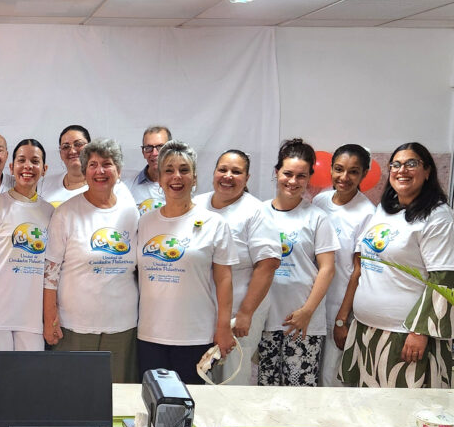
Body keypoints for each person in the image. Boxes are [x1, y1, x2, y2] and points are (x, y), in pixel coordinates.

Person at [337, 142, 454, 427]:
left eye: (412, 164)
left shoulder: (437, 217)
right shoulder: (384, 211)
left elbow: (444, 278)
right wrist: (347, 317)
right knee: (367, 408)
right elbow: (363, 265)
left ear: (428, 171)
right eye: (396, 165)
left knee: (407, 410)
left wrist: (421, 329)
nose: (402, 171)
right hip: (367, 329)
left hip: (406, 334)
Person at [136, 140, 236, 385]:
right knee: (153, 406)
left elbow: (224, 279)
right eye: (168, 170)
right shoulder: (145, 222)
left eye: (184, 170)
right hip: (150, 334)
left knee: (191, 408)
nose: (176, 177)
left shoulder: (214, 223)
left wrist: (224, 327)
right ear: (159, 178)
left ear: (194, 177)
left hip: (195, 336)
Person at [43, 138, 140, 383]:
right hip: (75, 326)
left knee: (116, 402)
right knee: (73, 399)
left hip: (123, 325)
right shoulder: (66, 212)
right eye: (93, 165)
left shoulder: (131, 212)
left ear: (118, 170)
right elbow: (50, 272)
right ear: (84, 171)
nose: (100, 171)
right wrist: (49, 319)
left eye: (107, 164)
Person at [0, 139, 55, 379]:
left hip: (31, 316)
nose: (28, 166)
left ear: (44, 169)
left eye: (35, 161)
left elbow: (51, 270)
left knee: (28, 388)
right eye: (22, 160)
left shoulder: (49, 212)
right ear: (11, 166)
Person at [195, 150, 281, 385]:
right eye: (222, 169)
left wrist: (246, 313)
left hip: (238, 314)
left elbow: (268, 265)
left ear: (247, 178)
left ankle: (228, 422)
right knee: (199, 375)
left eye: (236, 171)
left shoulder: (255, 211)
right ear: (213, 172)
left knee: (231, 378)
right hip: (201, 311)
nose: (228, 176)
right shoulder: (197, 204)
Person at [259, 139, 339, 387]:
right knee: (265, 392)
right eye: (287, 174)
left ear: (309, 178)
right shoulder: (259, 213)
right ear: (276, 173)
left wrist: (307, 311)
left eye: (301, 176)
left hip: (304, 323)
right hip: (265, 320)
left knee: (299, 394)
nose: (293, 181)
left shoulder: (317, 217)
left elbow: (327, 268)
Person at [312, 144, 376, 387]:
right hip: (312, 305)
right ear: (330, 169)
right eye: (339, 169)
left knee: (330, 378)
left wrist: (342, 320)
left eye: (353, 172)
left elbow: (358, 271)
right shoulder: (319, 201)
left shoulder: (367, 213)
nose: (344, 178)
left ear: (364, 174)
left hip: (339, 307)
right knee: (308, 375)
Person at [38, 125, 90, 207]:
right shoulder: (45, 183)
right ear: (61, 154)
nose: (72, 151)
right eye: (66, 147)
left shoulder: (102, 185)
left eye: (79, 144)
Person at [127, 125, 171, 215]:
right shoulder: (128, 187)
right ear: (143, 152)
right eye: (148, 148)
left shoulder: (180, 185)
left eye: (160, 147)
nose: (154, 153)